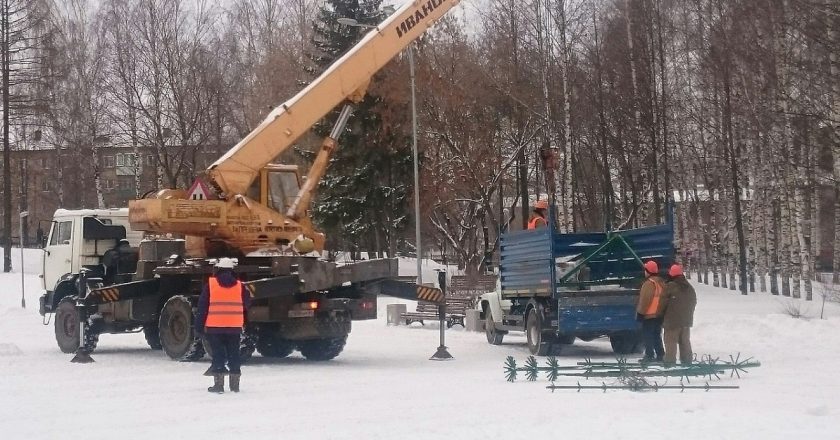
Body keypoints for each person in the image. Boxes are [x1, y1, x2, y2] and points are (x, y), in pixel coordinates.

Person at [196, 257, 251, 393]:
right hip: (234, 327)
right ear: (232, 270)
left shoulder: (211, 285)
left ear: (218, 269)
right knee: (234, 354)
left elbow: (202, 307)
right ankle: (235, 385)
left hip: (215, 327)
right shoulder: (240, 286)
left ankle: (219, 385)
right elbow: (247, 304)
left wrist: (198, 327)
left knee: (218, 354)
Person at [662, 263, 697, 365]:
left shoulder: (671, 286)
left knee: (670, 342)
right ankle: (687, 361)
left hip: (672, 320)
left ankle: (669, 362)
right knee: (685, 341)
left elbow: (662, 301)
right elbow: (694, 301)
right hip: (686, 320)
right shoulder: (689, 287)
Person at [636, 260, 667, 362]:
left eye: (645, 270)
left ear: (648, 271)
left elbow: (645, 300)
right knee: (656, 335)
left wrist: (640, 313)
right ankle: (660, 354)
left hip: (649, 315)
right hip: (659, 315)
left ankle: (649, 355)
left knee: (647, 336)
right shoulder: (661, 282)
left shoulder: (648, 284)